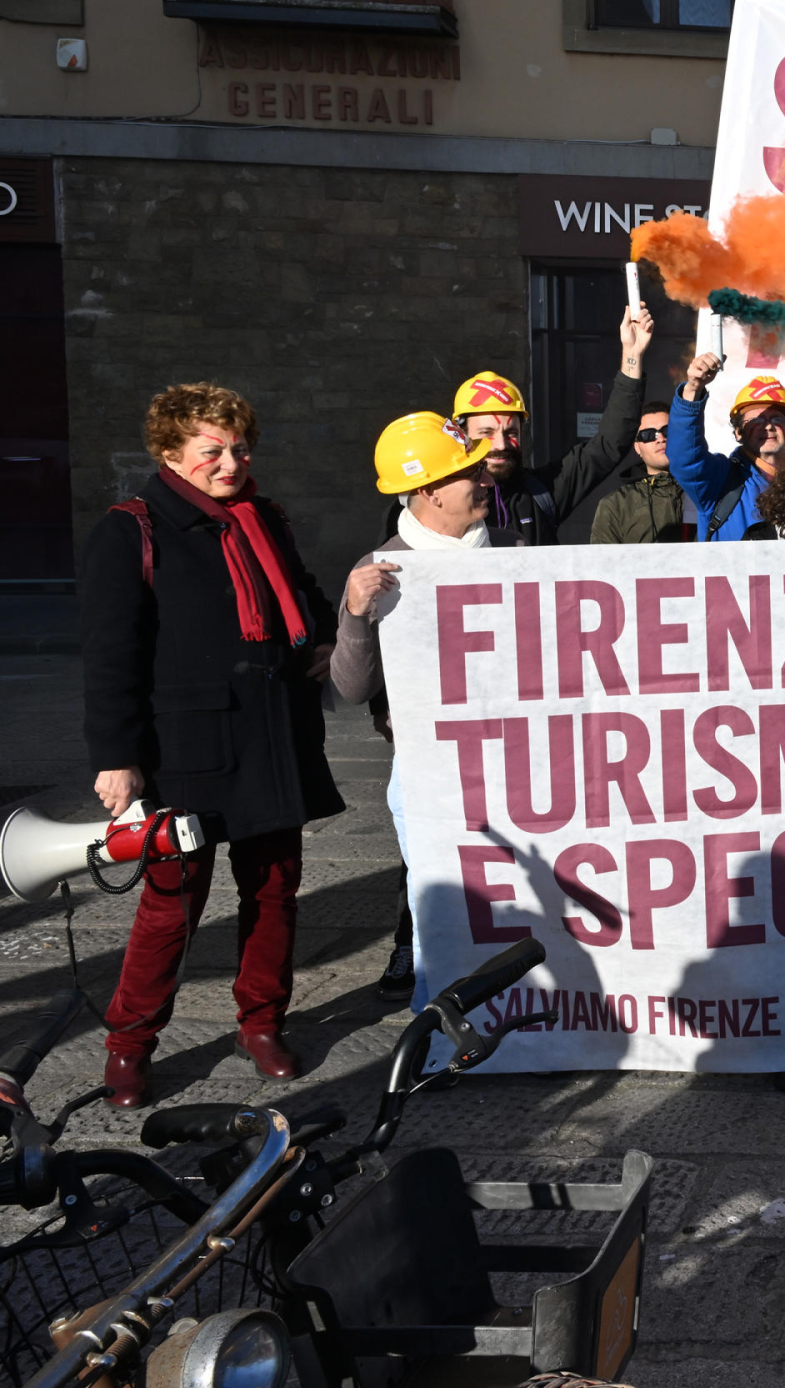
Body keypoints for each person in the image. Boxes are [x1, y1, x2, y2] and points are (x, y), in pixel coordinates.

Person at [82, 383, 343, 1106]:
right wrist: (116, 755)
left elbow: (304, 589)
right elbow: (111, 655)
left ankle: (262, 1022)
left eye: (240, 448)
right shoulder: (131, 528)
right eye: (213, 451)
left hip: (271, 735)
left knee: (273, 890)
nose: (231, 463)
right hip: (183, 748)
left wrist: (321, 635)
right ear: (170, 453)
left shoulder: (266, 517)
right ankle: (130, 1042)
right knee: (171, 903)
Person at [330, 412, 516, 997]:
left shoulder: (512, 552)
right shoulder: (380, 569)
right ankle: (444, 1019)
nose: (485, 479)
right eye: (469, 473)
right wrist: (356, 615)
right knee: (442, 897)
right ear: (430, 490)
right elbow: (351, 689)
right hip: (427, 766)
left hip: (515, 760)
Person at [429, 304, 652, 545]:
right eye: (487, 432)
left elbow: (609, 444)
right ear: (461, 435)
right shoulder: (434, 500)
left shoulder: (542, 491)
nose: (501, 444)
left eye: (511, 432)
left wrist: (633, 354)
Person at [667, 357, 785, 541]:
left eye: (777, 419)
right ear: (738, 433)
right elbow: (685, 458)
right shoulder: (720, 479)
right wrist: (693, 390)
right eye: (756, 420)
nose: (768, 426)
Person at [588, 402, 694, 544]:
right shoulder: (616, 505)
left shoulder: (703, 490)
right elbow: (604, 563)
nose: (660, 439)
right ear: (637, 448)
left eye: (668, 430)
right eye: (648, 435)